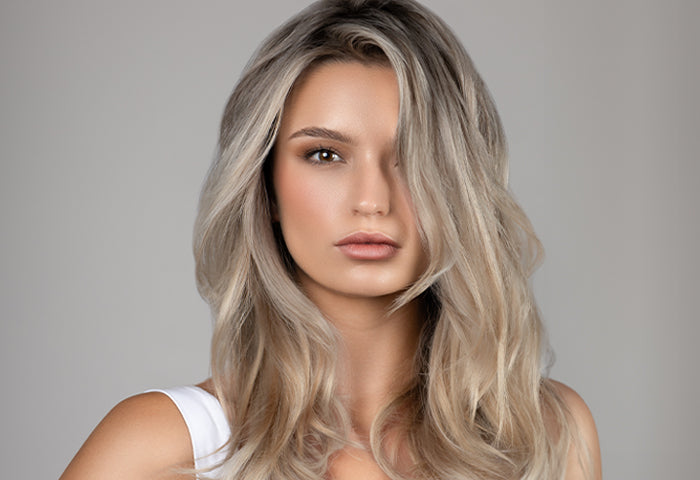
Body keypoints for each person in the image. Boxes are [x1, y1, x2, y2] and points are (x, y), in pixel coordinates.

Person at [60, 1, 601, 479]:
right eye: (324, 155)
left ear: (460, 183)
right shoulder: (161, 449)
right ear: (266, 188)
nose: (372, 199)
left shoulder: (549, 436)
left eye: (412, 156)